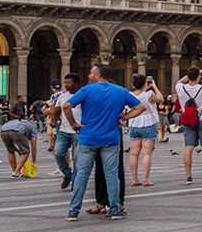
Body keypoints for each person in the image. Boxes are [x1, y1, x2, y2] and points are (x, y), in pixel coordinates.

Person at [62, 63, 141, 222]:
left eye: (91, 73)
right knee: (112, 176)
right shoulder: (120, 91)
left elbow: (66, 106)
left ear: (98, 75)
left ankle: (73, 211)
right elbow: (141, 107)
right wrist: (124, 117)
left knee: (81, 176)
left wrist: (73, 124)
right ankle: (115, 209)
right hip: (110, 139)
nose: (89, 75)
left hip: (88, 138)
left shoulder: (86, 90)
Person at [176, 66, 202, 184]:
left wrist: (194, 73)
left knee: (188, 147)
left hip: (188, 121)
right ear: (199, 77)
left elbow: (180, 81)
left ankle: (188, 176)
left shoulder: (180, 88)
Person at [126, 75, 160, 187]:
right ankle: (145, 179)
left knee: (134, 154)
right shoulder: (149, 94)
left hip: (134, 124)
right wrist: (154, 86)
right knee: (146, 153)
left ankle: (134, 179)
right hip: (148, 124)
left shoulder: (130, 95)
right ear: (145, 83)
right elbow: (161, 99)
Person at [49, 76, 80, 190]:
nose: (66, 85)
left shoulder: (82, 95)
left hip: (78, 131)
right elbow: (57, 111)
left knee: (77, 158)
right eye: (65, 83)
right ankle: (68, 174)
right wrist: (54, 120)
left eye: (69, 83)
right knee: (58, 153)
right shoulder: (62, 96)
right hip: (64, 130)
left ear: (76, 83)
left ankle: (76, 181)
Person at [0, 113, 38, 177]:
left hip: (3, 131)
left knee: (10, 151)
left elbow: (13, 146)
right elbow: (33, 146)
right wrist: (33, 161)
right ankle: (17, 172)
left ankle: (14, 172)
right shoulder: (32, 128)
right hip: (17, 131)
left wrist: (19, 152)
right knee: (26, 152)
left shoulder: (14, 122)